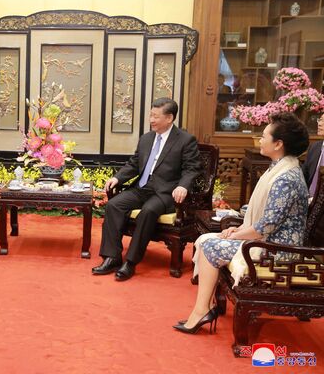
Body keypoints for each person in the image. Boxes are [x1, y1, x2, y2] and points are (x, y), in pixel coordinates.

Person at [174, 112, 309, 335]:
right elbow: (264, 219)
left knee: (211, 245)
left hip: (278, 251)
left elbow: (266, 226)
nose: (260, 139)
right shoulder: (280, 167)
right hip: (268, 240)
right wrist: (239, 229)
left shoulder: (286, 177)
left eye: (264, 135)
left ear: (278, 144)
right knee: (209, 239)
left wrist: (236, 235)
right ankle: (203, 308)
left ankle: (201, 311)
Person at [92, 97, 201, 281]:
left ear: (169, 118)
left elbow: (192, 168)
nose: (151, 120)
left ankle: (131, 262)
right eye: (151, 115)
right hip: (142, 188)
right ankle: (112, 257)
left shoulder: (185, 140)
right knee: (114, 205)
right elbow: (134, 164)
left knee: (148, 212)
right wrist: (117, 178)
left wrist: (183, 186)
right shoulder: (146, 138)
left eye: (156, 116)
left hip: (165, 192)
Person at [302, 113, 324, 199]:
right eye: (320, 120)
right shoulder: (314, 147)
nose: (320, 123)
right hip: (309, 200)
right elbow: (304, 175)